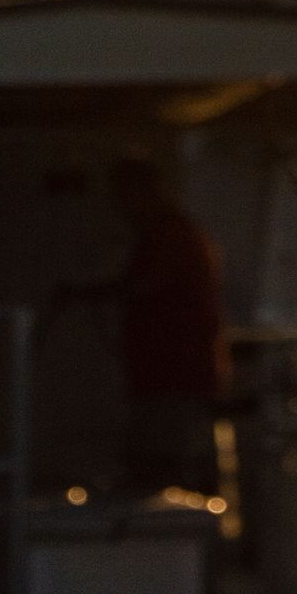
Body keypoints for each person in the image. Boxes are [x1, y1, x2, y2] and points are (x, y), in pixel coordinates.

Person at [90, 155, 230, 499]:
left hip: (177, 373)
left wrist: (104, 292)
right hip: (160, 374)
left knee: (169, 464)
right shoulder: (165, 234)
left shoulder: (173, 235)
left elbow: (152, 283)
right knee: (156, 456)